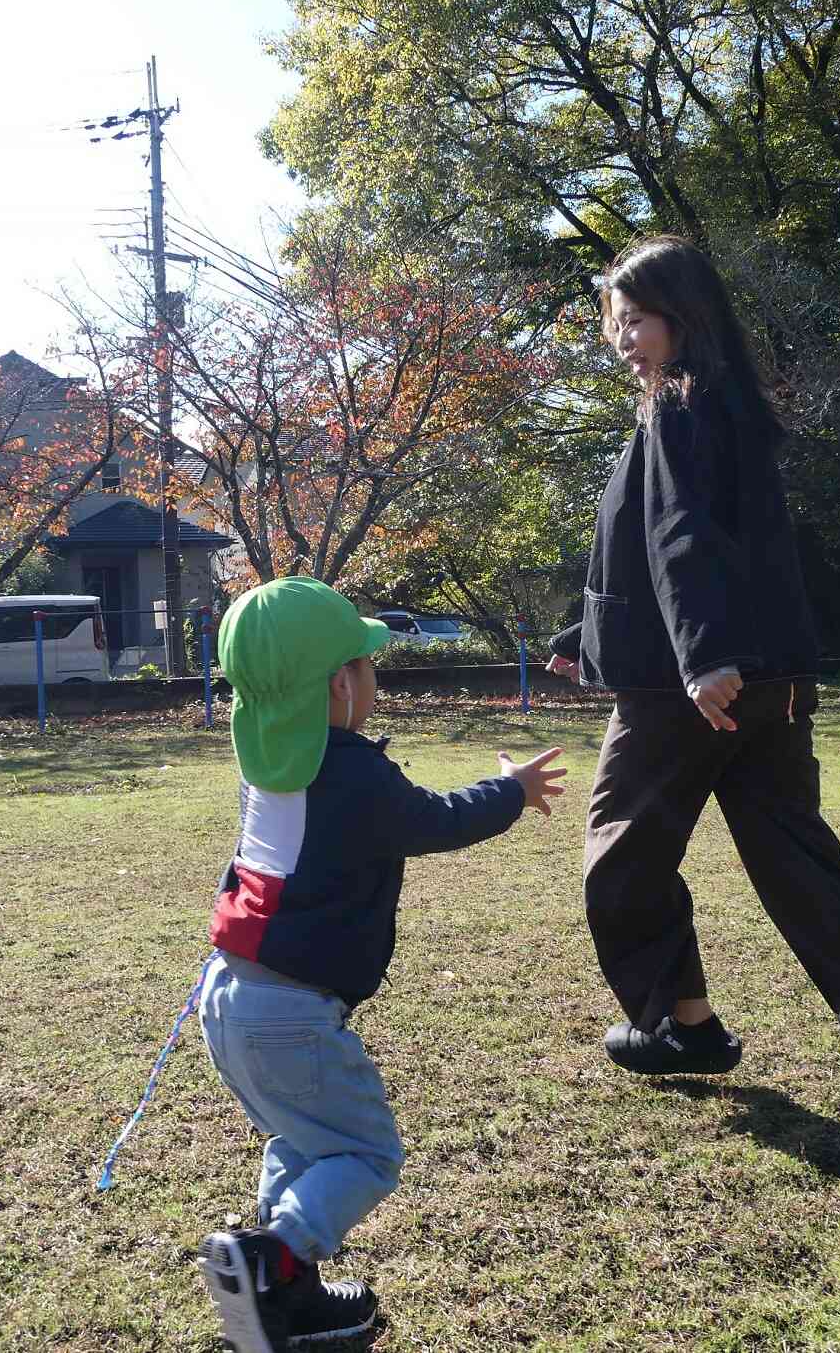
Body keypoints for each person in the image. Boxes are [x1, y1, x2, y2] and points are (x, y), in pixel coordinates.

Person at [544, 235, 840, 1143]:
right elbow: (680, 548)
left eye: (639, 321)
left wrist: (704, 656)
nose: (625, 339)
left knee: (621, 856)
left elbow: (681, 539)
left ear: (685, 317)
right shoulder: (731, 407)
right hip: (770, 682)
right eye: (615, 323)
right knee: (801, 869)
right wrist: (585, 637)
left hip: (696, 690)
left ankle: (682, 1026)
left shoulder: (678, 408)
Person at [196, 577, 565, 1353]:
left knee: (302, 1142)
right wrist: (512, 789)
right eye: (367, 668)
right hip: (288, 1013)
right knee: (363, 1153)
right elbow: (432, 820)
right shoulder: (350, 772)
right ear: (338, 683)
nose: (373, 682)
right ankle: (274, 1260)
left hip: (231, 996)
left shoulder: (271, 762)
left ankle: (280, 1294)